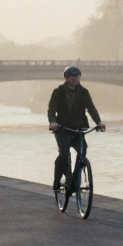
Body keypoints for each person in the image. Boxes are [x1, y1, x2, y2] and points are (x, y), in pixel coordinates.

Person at [48, 66, 105, 197]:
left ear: (79, 78)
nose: (74, 79)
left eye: (76, 77)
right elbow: (51, 109)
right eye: (71, 77)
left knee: (82, 150)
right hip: (63, 128)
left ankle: (74, 181)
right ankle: (57, 181)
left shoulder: (84, 92)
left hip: (78, 128)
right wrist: (53, 122)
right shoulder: (58, 92)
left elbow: (91, 108)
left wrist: (99, 122)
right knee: (64, 153)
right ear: (67, 78)